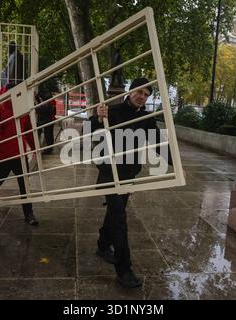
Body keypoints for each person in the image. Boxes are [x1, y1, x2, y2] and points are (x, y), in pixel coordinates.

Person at [89, 77, 172, 288]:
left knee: (116, 212)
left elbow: (159, 144)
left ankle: (102, 243)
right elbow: (93, 134)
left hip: (128, 174)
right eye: (140, 92)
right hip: (110, 172)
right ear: (130, 90)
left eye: (146, 95)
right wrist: (98, 119)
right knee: (119, 219)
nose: (142, 97)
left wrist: (177, 165)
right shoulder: (111, 110)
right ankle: (124, 270)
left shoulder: (146, 118)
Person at [0, 84, 38, 226]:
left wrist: (34, 148)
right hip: (3, 154)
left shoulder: (22, 109)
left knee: (24, 186)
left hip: (19, 154)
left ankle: (29, 214)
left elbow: (28, 130)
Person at [35, 90, 56, 154]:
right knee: (49, 135)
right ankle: (49, 148)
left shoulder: (49, 104)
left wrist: (34, 106)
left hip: (47, 121)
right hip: (48, 120)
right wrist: (36, 97)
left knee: (48, 136)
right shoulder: (50, 102)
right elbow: (41, 105)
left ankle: (49, 149)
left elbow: (41, 109)